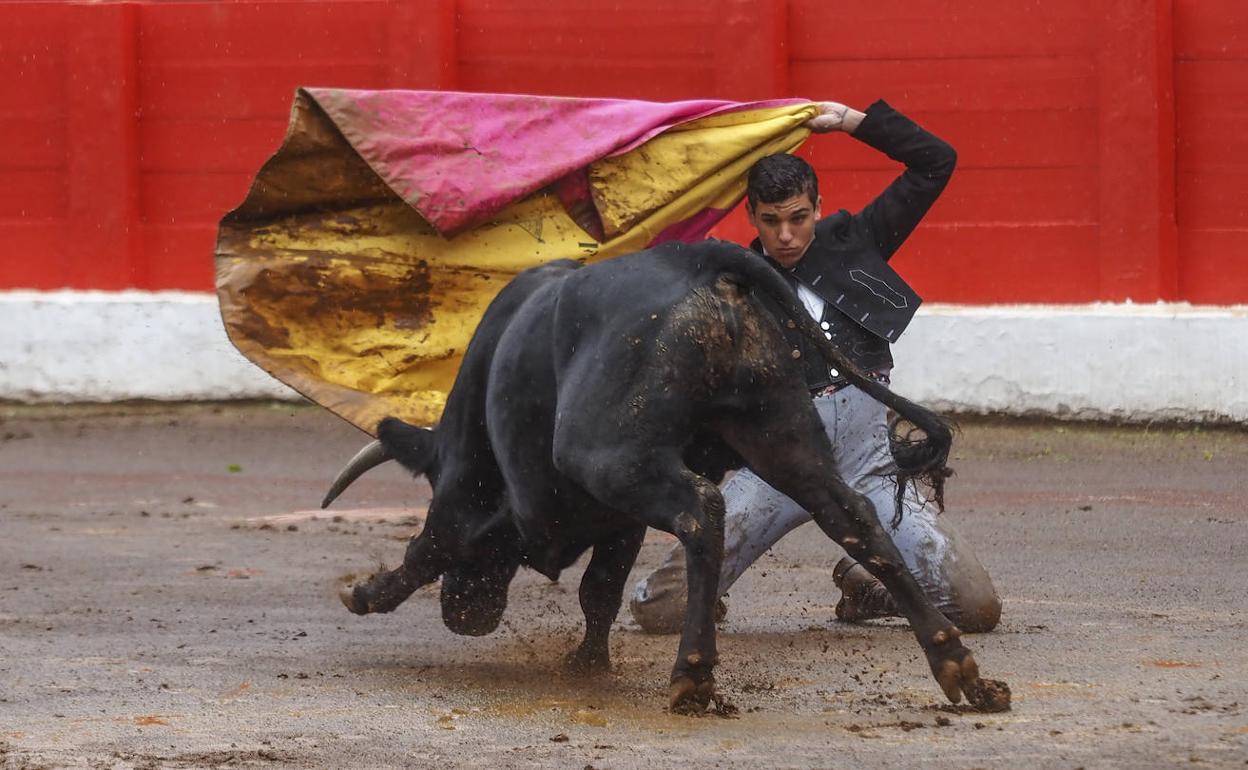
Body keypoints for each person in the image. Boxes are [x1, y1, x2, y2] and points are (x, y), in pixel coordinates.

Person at [628, 99, 1002, 636]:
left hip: (869, 466)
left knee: (976, 608)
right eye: (772, 220)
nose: (786, 235)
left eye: (799, 218)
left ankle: (865, 582)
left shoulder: (857, 242)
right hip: (773, 473)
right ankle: (709, 591)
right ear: (751, 215)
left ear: (818, 207)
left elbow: (935, 162)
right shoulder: (731, 287)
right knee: (661, 613)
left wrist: (851, 122)